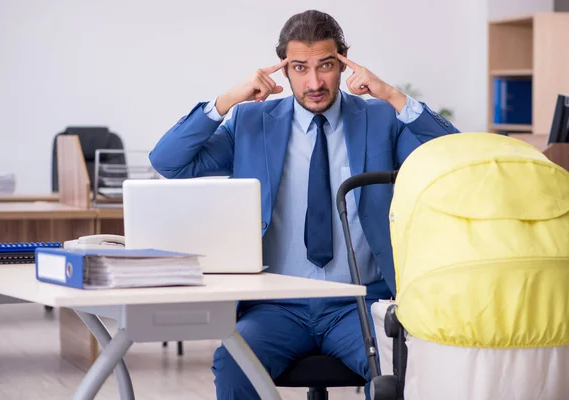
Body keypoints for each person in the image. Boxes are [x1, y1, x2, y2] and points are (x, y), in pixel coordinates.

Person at [149, 9, 459, 399]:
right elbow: (169, 161)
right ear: (283, 70)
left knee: (399, 370)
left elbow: (452, 155)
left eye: (326, 66)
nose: (314, 82)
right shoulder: (251, 122)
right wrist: (228, 99)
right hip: (276, 307)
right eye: (300, 67)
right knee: (233, 363)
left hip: (360, 302)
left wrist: (393, 96)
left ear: (344, 63)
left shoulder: (380, 119)